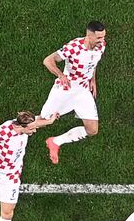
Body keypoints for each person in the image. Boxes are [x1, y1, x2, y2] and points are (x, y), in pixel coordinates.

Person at [41, 21, 107, 165]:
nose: (102, 41)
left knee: (92, 130)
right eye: (99, 38)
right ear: (88, 36)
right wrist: (60, 75)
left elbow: (93, 63)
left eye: (103, 37)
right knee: (42, 120)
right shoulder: (74, 47)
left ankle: (55, 142)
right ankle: (15, 130)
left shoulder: (100, 46)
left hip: (83, 91)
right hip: (66, 89)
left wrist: (92, 79)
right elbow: (48, 60)